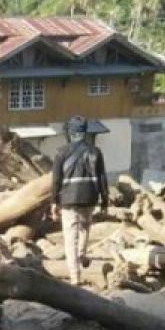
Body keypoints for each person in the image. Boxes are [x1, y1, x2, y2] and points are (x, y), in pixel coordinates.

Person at [51, 116, 108, 286]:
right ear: (85, 132)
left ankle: (75, 278)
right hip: (90, 197)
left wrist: (54, 202)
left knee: (70, 239)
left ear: (70, 132)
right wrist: (105, 201)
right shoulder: (96, 152)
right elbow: (102, 178)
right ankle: (82, 254)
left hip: (68, 200)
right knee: (84, 229)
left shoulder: (61, 152)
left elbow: (56, 180)